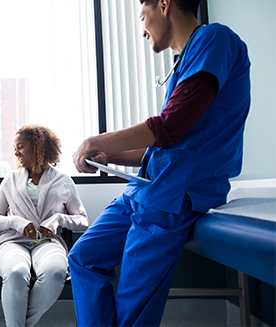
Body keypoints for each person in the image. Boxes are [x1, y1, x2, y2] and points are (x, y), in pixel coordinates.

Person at [68, 0, 251, 326]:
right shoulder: (186, 62)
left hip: (172, 197)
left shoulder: (215, 40)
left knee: (131, 314)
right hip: (146, 189)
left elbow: (170, 127)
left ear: (163, 4)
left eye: (143, 16)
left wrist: (94, 141)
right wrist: (109, 156)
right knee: (83, 259)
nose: (142, 30)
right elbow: (167, 147)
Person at [0, 124, 89, 326]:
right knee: (16, 272)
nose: (15, 152)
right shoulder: (10, 180)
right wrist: (16, 222)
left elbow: (83, 221)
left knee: (56, 272)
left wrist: (58, 219)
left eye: (21, 146)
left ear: (37, 147)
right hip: (11, 242)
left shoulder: (63, 181)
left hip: (48, 242)